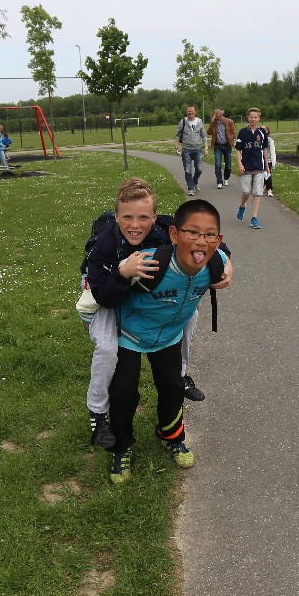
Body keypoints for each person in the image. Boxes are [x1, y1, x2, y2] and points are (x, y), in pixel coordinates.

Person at [79, 178, 233, 448]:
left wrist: (227, 261)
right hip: (102, 288)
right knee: (106, 348)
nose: (135, 225)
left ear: (154, 217)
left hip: (139, 289)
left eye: (143, 217)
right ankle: (98, 412)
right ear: (116, 217)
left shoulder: (165, 228)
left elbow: (203, 237)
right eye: (127, 217)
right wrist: (123, 274)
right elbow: (104, 296)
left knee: (188, 316)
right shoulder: (106, 244)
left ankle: (181, 376)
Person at [234, 108, 269, 229]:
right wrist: (240, 164)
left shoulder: (262, 132)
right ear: (248, 118)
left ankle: (254, 218)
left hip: (259, 166)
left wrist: (267, 165)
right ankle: (242, 206)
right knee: (246, 191)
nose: (253, 119)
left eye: (255, 117)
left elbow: (264, 149)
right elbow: (238, 149)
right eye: (251, 117)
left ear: (259, 118)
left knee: (257, 193)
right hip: (246, 167)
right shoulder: (243, 132)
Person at [174, 105, 207, 196]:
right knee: (187, 170)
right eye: (189, 111)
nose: (190, 112)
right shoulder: (183, 122)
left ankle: (194, 181)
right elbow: (178, 135)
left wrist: (206, 148)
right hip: (186, 149)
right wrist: (176, 147)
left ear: (195, 112)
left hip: (197, 149)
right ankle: (190, 188)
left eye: (192, 111)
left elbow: (204, 135)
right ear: (186, 112)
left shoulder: (199, 122)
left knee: (199, 169)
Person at [207, 108, 236, 189]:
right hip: (218, 146)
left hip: (227, 145)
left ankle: (226, 178)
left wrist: (232, 140)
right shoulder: (214, 123)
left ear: (221, 114)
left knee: (228, 165)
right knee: (218, 164)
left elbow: (234, 132)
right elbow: (208, 132)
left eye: (216, 113)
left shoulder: (229, 122)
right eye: (214, 113)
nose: (215, 114)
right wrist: (211, 123)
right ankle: (219, 182)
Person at [261, 123, 276, 196]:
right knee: (261, 174)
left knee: (267, 174)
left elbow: (272, 152)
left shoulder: (269, 140)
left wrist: (273, 163)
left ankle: (269, 189)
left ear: (267, 131)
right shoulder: (258, 139)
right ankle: (264, 185)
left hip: (268, 160)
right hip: (260, 159)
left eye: (264, 129)